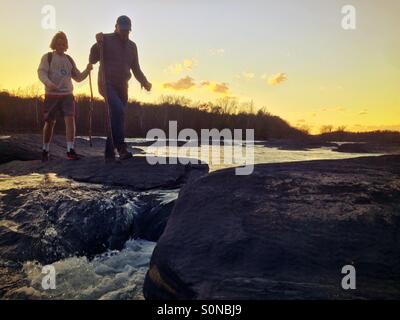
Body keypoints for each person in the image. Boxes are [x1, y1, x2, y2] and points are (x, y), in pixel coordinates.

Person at [89, 15, 152, 162]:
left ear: (130, 30)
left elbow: (136, 68)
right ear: (116, 27)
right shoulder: (106, 39)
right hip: (106, 83)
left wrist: (145, 81)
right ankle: (121, 148)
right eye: (122, 29)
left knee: (117, 116)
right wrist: (96, 44)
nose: (124, 33)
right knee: (118, 110)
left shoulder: (132, 46)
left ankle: (109, 153)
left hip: (123, 86)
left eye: (127, 31)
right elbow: (92, 59)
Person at [38, 31, 93, 162]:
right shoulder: (48, 57)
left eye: (63, 44)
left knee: (70, 119)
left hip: (67, 95)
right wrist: (49, 83)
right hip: (51, 95)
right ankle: (45, 150)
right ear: (54, 44)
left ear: (66, 45)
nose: (61, 46)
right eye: (58, 44)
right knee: (50, 123)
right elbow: (41, 72)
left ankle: (70, 150)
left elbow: (78, 77)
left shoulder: (69, 59)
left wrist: (87, 70)